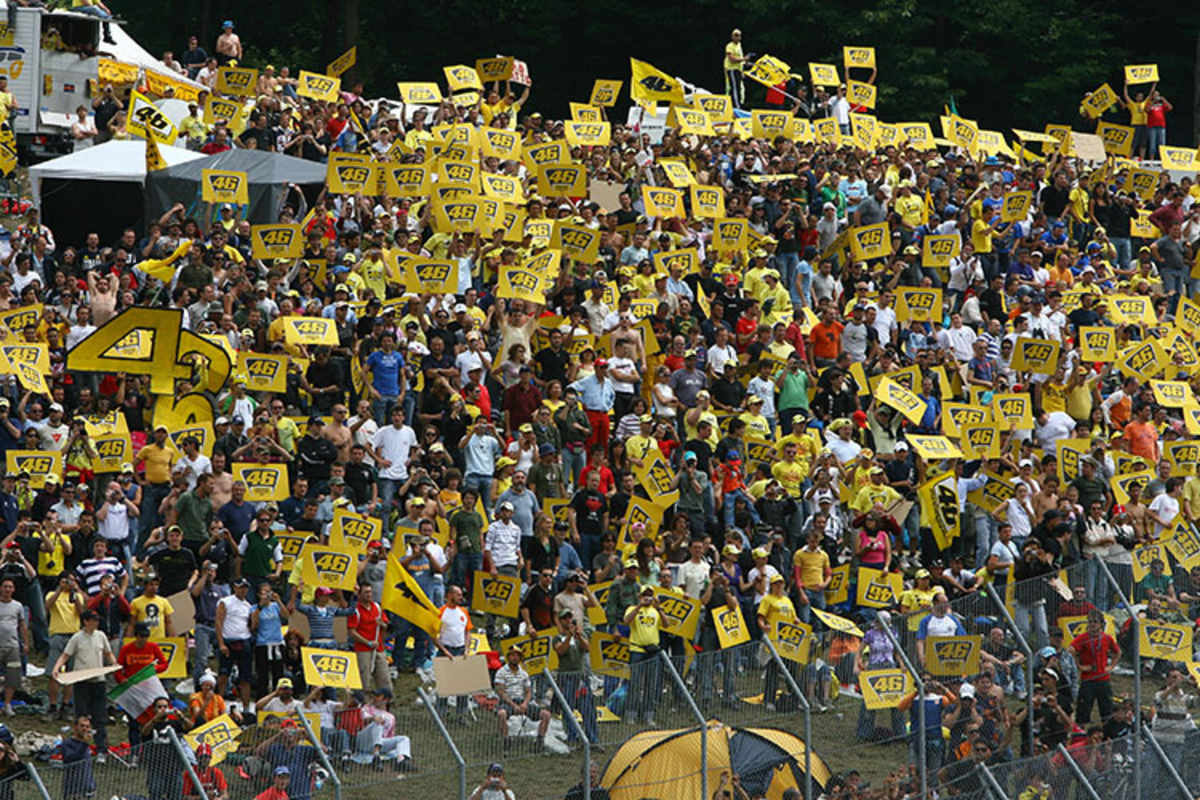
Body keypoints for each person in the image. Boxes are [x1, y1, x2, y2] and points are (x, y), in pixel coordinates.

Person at [52, 611, 115, 763]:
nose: (96, 623)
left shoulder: (101, 636)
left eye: (97, 620)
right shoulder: (77, 637)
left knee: (99, 717)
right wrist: (57, 668)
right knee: (81, 716)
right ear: (86, 621)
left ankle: (101, 750)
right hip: (82, 682)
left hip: (98, 681)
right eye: (93, 620)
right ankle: (80, 749)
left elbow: (108, 653)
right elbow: (66, 655)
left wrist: (114, 664)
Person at [493, 644, 551, 751]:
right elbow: (501, 692)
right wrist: (513, 705)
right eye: (512, 655)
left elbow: (528, 691)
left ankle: (539, 741)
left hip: (522, 701)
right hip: (508, 702)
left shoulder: (524, 673)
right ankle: (506, 740)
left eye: (517, 655)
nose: (515, 657)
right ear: (508, 657)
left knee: (546, 715)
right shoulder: (501, 672)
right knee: (501, 714)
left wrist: (525, 703)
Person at [724, 28, 745, 109]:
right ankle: (736, 106)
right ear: (732, 36)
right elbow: (731, 59)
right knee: (734, 88)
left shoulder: (739, 46)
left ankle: (738, 104)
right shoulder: (730, 46)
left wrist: (742, 71)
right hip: (731, 69)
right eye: (736, 35)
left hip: (738, 69)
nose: (737, 37)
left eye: (739, 35)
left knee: (739, 88)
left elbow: (740, 59)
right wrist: (744, 59)